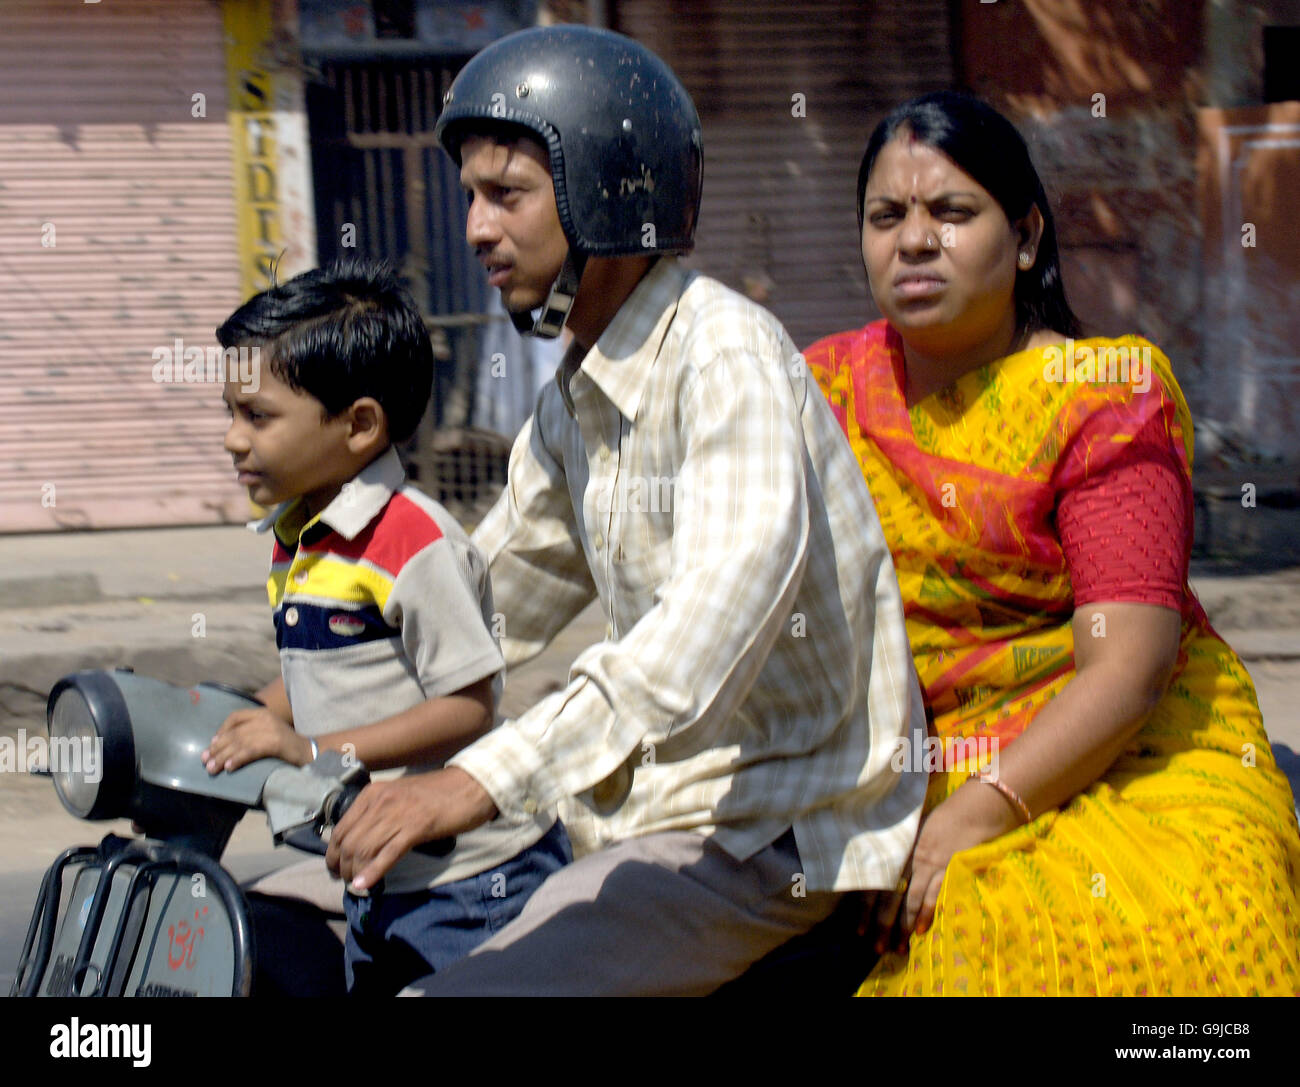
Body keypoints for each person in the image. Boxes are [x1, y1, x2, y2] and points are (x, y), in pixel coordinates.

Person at [324, 25, 930, 996]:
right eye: (472, 195)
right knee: (310, 921)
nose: (475, 227)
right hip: (651, 806)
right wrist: (304, 696)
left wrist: (475, 779)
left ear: (602, 194)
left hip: (776, 828)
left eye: (507, 195)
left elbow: (697, 640)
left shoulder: (727, 361)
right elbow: (484, 606)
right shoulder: (577, 391)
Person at [804, 91, 1300, 996]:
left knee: (1140, 923)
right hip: (898, 746)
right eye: (887, 217)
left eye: (952, 212)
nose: (914, 241)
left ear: (1026, 236)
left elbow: (1128, 670)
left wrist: (977, 814)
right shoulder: (822, 390)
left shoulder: (1102, 394)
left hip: (1113, 743)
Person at [206, 258, 570, 995]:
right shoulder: (299, 532)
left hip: (468, 879)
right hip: (373, 865)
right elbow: (329, 661)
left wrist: (309, 747)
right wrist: (249, 714)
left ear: (360, 424)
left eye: (258, 415)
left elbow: (468, 705)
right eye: (229, 411)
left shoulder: (412, 542)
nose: (232, 439)